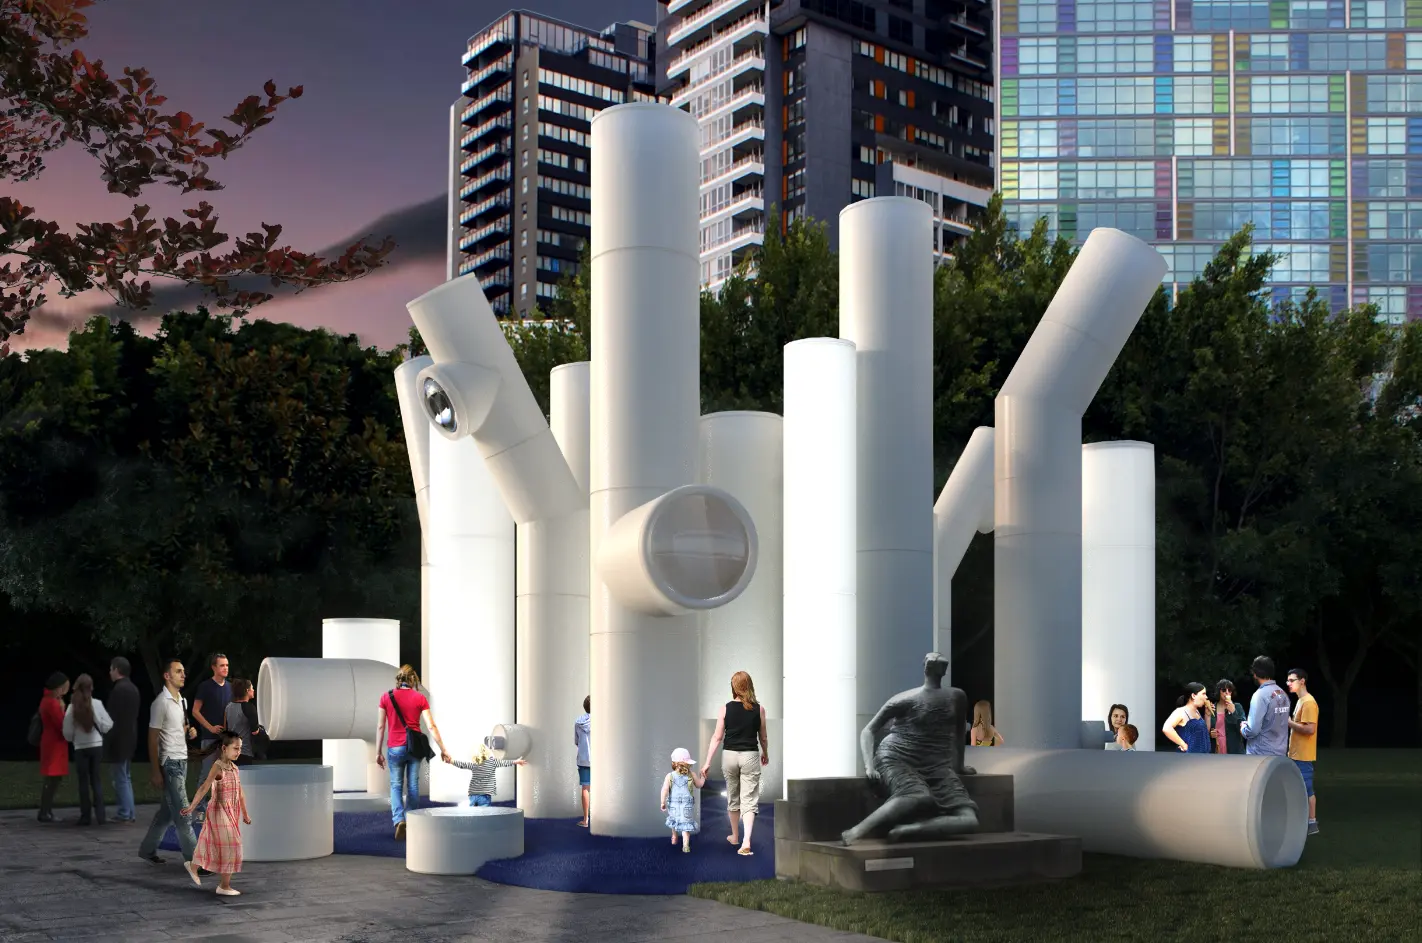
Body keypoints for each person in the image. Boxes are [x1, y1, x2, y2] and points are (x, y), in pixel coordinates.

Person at [375, 664, 450, 841]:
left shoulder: (386, 697)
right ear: (412, 679)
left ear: (398, 679)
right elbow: (431, 726)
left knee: (396, 785)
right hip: (414, 748)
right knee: (413, 786)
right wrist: (443, 749)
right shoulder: (419, 698)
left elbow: (380, 726)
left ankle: (399, 820)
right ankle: (412, 821)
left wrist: (378, 752)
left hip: (394, 747)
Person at [700, 670, 770, 857]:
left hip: (729, 755)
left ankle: (735, 836)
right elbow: (763, 737)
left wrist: (707, 762)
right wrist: (766, 753)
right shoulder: (759, 709)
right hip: (750, 756)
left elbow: (717, 737)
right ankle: (747, 840)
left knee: (733, 796)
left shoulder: (725, 708)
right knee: (749, 799)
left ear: (734, 687)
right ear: (749, 685)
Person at [138, 658, 199, 867]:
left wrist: (190, 732)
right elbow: (152, 738)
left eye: (183, 671)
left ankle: (147, 850)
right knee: (183, 813)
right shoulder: (160, 704)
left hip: (183, 760)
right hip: (170, 762)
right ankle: (196, 861)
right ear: (167, 676)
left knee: (166, 812)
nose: (183, 675)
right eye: (178, 671)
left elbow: (177, 729)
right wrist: (155, 771)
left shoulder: (182, 700)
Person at [181, 731, 251, 896]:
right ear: (224, 748)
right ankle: (224, 886)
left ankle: (193, 866)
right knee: (231, 845)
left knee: (211, 842)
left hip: (231, 811)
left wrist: (245, 814)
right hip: (219, 810)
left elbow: (240, 793)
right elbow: (204, 787)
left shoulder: (234, 768)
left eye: (240, 748)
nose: (238, 752)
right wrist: (192, 806)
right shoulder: (218, 766)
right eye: (235, 748)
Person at [62, 673, 113, 826]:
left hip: (80, 748)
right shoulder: (97, 704)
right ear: (91, 688)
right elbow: (108, 725)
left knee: (83, 782)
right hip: (96, 746)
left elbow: (67, 732)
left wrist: (73, 739)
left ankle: (85, 817)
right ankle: (101, 816)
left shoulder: (72, 707)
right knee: (96, 780)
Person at [191, 653, 232, 823]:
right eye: (222, 665)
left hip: (226, 740)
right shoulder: (205, 687)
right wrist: (210, 728)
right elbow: (195, 710)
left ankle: (220, 810)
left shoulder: (230, 687)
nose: (225, 668)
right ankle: (199, 811)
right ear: (214, 667)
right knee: (207, 774)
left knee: (225, 776)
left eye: (227, 665)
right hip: (209, 738)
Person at [105, 657, 142, 822]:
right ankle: (130, 812)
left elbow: (113, 719)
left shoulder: (118, 690)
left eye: (111, 669)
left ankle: (124, 813)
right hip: (130, 738)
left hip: (119, 740)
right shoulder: (134, 689)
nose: (110, 672)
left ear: (117, 670)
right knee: (125, 777)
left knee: (120, 777)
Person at [1285, 668, 1320, 835]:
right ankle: (1301, 820)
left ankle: (1312, 823)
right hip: (1295, 754)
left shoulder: (1308, 702)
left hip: (1303, 755)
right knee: (1299, 788)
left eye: (1292, 680)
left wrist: (1289, 722)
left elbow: (1310, 729)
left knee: (1307, 789)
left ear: (1302, 681)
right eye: (1288, 681)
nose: (1288, 683)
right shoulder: (1300, 701)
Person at [445, 739, 526, 806]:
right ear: (487, 753)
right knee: (484, 814)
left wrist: (451, 761)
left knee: (472, 813)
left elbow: (462, 765)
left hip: (473, 795)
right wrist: (517, 761)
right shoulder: (492, 762)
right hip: (485, 795)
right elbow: (505, 763)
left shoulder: (474, 764)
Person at [37, 672, 70, 823]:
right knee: (53, 778)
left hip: (51, 742)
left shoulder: (47, 700)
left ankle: (46, 810)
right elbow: (61, 724)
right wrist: (63, 710)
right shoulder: (52, 703)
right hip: (54, 744)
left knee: (52, 778)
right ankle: (45, 811)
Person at [1240, 655, 1290, 756]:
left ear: (1255, 674)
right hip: (1280, 753)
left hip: (1260, 755)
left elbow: (1253, 730)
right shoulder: (1283, 693)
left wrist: (1243, 727)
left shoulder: (1260, 695)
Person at [661, 747, 706, 853]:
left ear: (675, 763)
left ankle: (674, 836)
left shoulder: (669, 776)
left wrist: (662, 802)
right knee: (686, 826)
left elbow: (665, 790)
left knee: (674, 821)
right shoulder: (692, 775)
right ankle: (685, 846)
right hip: (687, 806)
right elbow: (699, 785)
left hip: (673, 805)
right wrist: (703, 777)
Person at [1162, 683, 1212, 753]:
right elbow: (1167, 728)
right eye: (1203, 694)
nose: (1206, 697)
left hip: (1202, 757)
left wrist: (1208, 715)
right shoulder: (1181, 711)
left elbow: (1204, 732)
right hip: (1188, 758)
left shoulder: (1197, 711)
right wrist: (1183, 744)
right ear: (1193, 695)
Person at [222, 679, 261, 766]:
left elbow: (225, 728)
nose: (253, 690)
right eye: (252, 688)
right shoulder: (249, 707)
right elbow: (255, 731)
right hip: (244, 752)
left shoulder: (228, 707)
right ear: (247, 691)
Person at [1212, 680, 1247, 755]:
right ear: (1219, 691)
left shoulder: (1237, 707)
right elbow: (1208, 728)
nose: (1227, 692)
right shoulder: (1212, 708)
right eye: (1224, 690)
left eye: (1230, 690)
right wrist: (1211, 733)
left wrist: (1233, 712)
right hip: (1217, 750)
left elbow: (1244, 729)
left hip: (1234, 750)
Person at [574, 695, 591, 828]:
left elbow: (576, 741)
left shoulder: (578, 721)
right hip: (599, 760)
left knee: (585, 788)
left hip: (584, 759)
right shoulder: (601, 721)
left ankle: (585, 820)